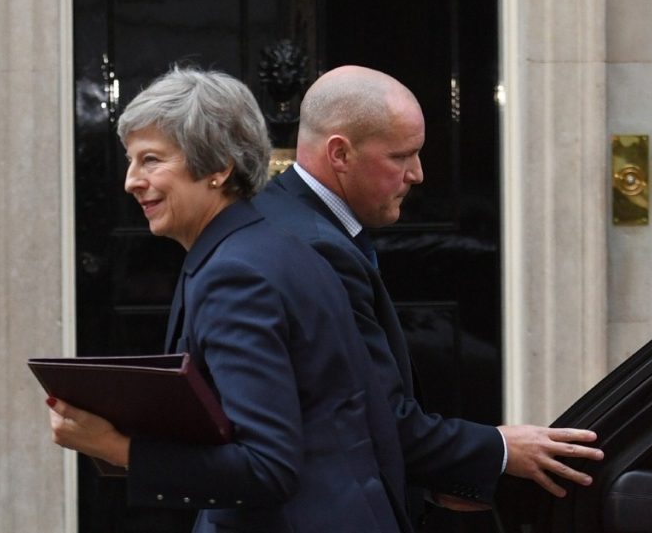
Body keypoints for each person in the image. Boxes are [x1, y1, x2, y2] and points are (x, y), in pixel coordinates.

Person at [45, 66, 413, 533]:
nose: (131, 181)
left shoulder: (236, 274)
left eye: (152, 160)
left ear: (219, 167)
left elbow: (267, 466)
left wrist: (115, 447)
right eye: (131, 161)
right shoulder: (265, 248)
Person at [253, 65, 605, 516]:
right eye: (401, 156)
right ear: (339, 153)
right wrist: (500, 448)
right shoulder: (321, 247)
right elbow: (372, 420)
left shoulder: (279, 214)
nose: (417, 173)